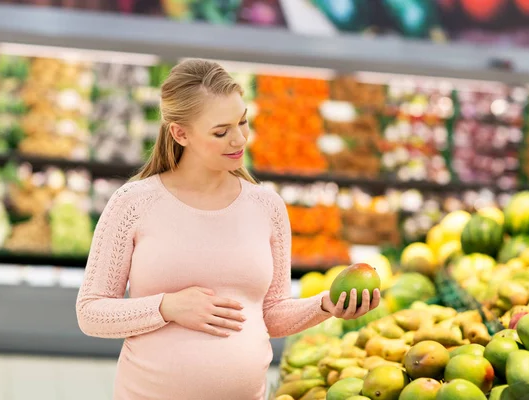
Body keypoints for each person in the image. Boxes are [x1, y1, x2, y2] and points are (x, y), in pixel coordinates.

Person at [76, 58, 381, 400]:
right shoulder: (133, 202)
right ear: (180, 133)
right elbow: (91, 312)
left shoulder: (267, 206)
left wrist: (325, 305)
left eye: (243, 122)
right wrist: (167, 307)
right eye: (221, 131)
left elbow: (272, 314)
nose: (239, 139)